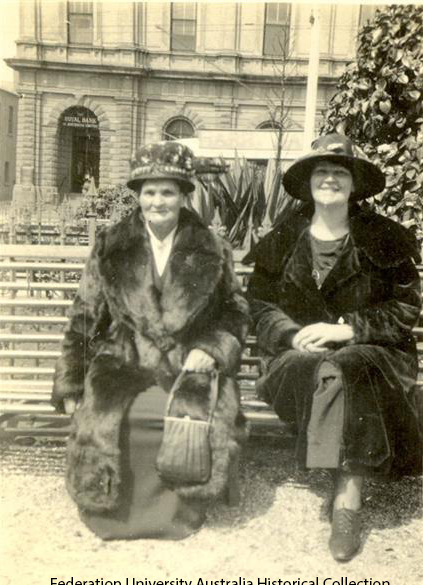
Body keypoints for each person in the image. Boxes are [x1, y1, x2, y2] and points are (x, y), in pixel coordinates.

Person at [52, 141, 250, 540]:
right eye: (149, 191)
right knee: (109, 412)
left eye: (168, 191)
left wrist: (210, 350)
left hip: (188, 366)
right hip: (125, 359)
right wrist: (72, 381)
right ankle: (109, 508)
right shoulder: (111, 245)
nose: (158, 201)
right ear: (138, 196)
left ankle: (177, 513)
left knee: (185, 417)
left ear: (182, 195)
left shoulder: (212, 247)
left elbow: (235, 312)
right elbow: (85, 317)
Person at [244, 133, 422, 561]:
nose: (329, 179)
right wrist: (289, 333)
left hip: (375, 354)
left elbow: (405, 307)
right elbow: (259, 304)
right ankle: (345, 488)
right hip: (294, 357)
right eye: (320, 172)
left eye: (339, 172)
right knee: (327, 369)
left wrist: (350, 329)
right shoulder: (282, 238)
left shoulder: (386, 237)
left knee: (346, 366)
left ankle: (346, 501)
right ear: (307, 183)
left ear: (354, 184)